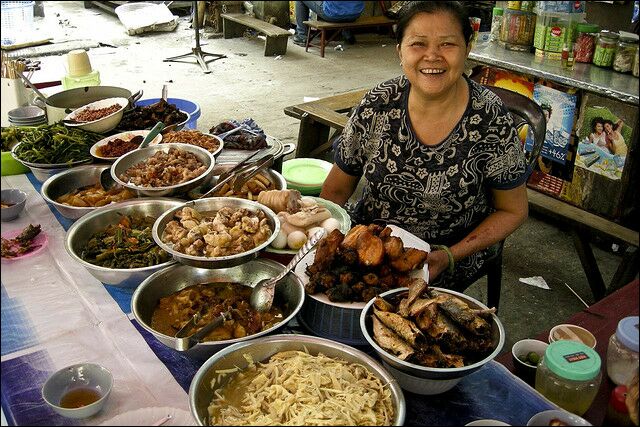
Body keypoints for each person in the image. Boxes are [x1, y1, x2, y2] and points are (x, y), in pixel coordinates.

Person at [320, 1, 529, 290]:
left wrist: (450, 255)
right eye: (418, 44)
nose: (432, 56)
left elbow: (513, 210)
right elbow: (337, 189)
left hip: (448, 254)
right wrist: (324, 240)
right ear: (400, 51)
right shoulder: (377, 104)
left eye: (447, 44)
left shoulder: (489, 118)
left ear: (467, 48)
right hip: (369, 244)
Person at [293, 1, 365, 46]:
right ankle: (348, 35)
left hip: (333, 14)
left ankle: (302, 37)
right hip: (356, 13)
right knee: (345, 6)